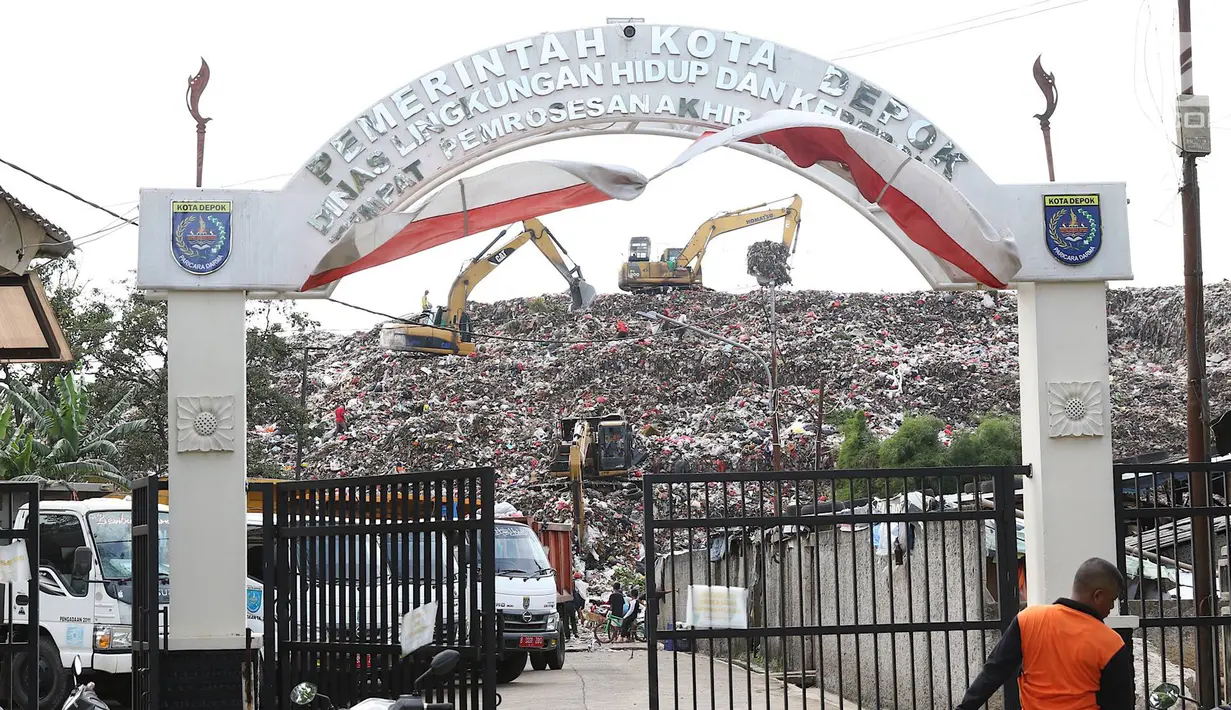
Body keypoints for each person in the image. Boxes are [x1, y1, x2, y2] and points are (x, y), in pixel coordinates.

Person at [955, 557, 1132, 710]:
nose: (1111, 607)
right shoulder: (1111, 643)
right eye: (1112, 600)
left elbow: (994, 672)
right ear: (1097, 596)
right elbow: (1120, 703)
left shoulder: (1029, 620)